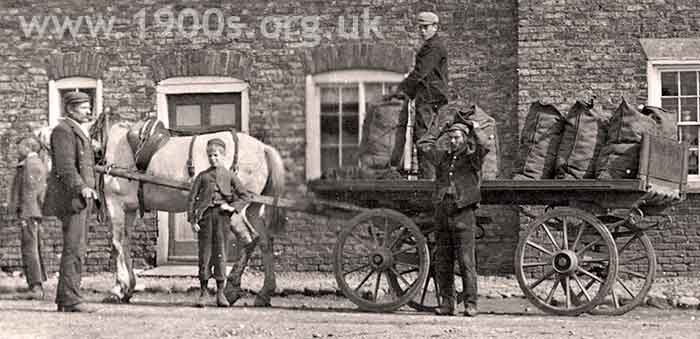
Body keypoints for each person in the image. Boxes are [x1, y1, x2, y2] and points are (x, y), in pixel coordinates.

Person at [416, 120, 489, 317]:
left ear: (465, 139)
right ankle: (448, 304)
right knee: (443, 261)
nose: (453, 141)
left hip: (463, 213)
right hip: (442, 211)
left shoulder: (473, 158)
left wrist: (475, 127)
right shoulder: (443, 157)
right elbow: (423, 145)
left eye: (457, 138)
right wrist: (440, 129)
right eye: (451, 138)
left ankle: (470, 304)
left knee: (466, 261)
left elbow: (484, 145)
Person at [43, 91, 99, 313]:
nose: (89, 111)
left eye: (88, 106)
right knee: (73, 248)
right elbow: (66, 166)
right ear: (70, 109)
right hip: (73, 199)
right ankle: (70, 299)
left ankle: (67, 298)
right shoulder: (63, 130)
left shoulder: (76, 130)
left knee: (78, 248)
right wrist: (82, 187)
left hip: (81, 200)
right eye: (84, 107)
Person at [187, 137, 255, 308]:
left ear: (223, 156)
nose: (213, 158)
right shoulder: (202, 176)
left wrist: (232, 208)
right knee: (205, 254)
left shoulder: (229, 175)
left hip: (222, 218)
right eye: (210, 155)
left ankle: (220, 294)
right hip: (205, 218)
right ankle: (203, 293)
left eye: (216, 155)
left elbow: (245, 196)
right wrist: (193, 220)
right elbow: (191, 200)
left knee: (221, 253)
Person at [386, 11, 449, 179]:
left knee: (424, 139)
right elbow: (423, 77)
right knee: (426, 138)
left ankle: (427, 182)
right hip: (429, 98)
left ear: (435, 27)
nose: (422, 31)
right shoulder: (432, 46)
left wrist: (399, 91)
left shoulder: (433, 47)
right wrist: (407, 94)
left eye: (426, 27)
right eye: (420, 28)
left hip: (430, 99)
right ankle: (428, 178)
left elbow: (420, 73)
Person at [8, 136, 48, 300]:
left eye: (19, 147)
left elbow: (30, 193)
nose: (17, 151)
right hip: (32, 212)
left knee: (29, 249)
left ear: (28, 147)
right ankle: (37, 282)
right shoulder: (32, 163)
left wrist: (24, 213)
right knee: (34, 247)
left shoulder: (30, 165)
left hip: (29, 212)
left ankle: (36, 286)